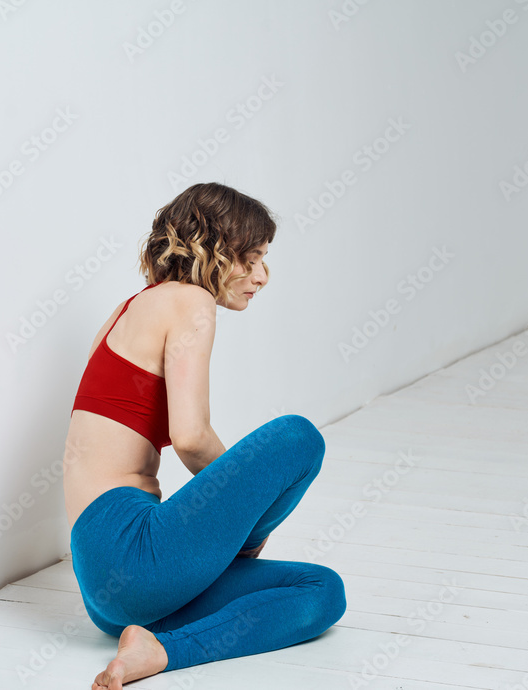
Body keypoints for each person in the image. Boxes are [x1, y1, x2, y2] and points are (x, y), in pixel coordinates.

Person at [62, 182, 346, 689]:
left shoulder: (125, 312)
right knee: (298, 438)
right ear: (211, 249)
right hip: (135, 553)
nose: (262, 276)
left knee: (320, 589)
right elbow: (190, 437)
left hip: (108, 594)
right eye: (251, 259)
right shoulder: (190, 301)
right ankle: (243, 544)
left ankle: (158, 650)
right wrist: (247, 519)